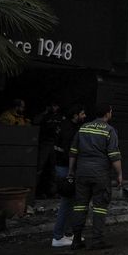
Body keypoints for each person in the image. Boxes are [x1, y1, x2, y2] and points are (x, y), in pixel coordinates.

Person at [69, 103, 122, 250]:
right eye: (111, 111)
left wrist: (71, 171)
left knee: (80, 205)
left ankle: (76, 239)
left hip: (82, 173)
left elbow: (73, 151)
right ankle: (97, 240)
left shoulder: (83, 128)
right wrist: (120, 174)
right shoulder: (109, 131)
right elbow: (114, 156)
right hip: (100, 174)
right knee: (100, 207)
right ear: (107, 113)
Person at [51, 104, 85, 247]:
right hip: (66, 168)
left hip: (63, 167)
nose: (84, 116)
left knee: (70, 202)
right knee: (67, 203)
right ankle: (58, 237)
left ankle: (66, 234)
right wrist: (72, 170)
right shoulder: (69, 130)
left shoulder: (66, 126)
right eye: (82, 113)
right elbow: (69, 153)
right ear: (75, 115)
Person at [33, 101, 64, 198]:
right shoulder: (44, 116)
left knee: (53, 169)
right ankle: (36, 192)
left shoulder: (59, 117)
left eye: (56, 106)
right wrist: (45, 112)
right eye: (53, 106)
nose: (55, 108)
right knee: (40, 168)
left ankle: (52, 192)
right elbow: (35, 121)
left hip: (54, 144)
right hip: (44, 143)